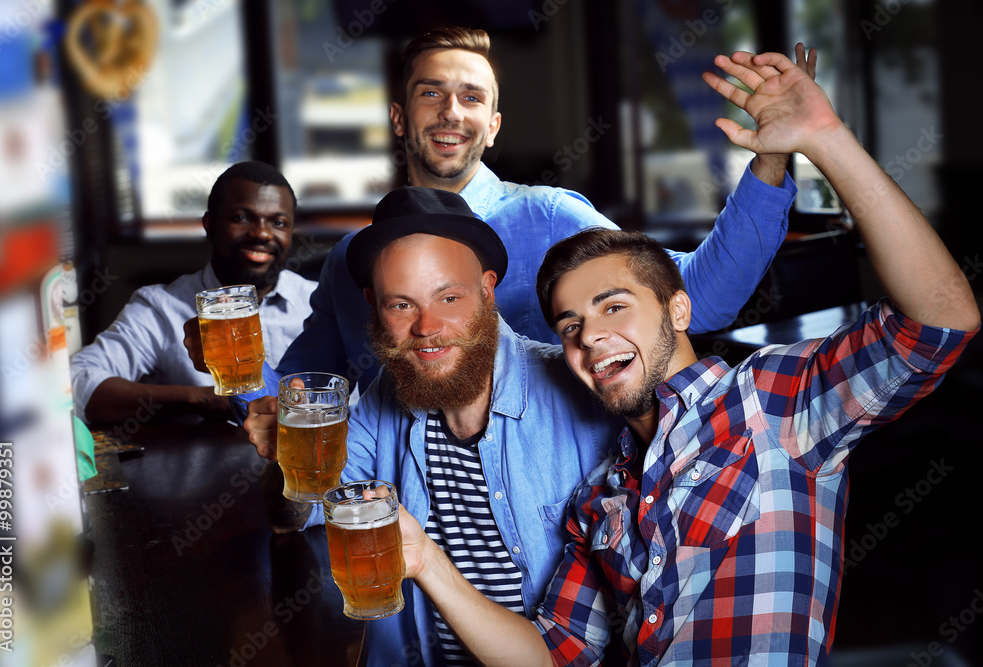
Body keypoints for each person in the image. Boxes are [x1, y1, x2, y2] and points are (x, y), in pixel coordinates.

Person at [393, 48, 980, 665]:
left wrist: (825, 142)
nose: (589, 335)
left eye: (613, 306)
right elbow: (548, 654)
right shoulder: (601, 495)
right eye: (570, 325)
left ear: (677, 310)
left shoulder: (771, 403)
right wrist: (427, 561)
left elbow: (940, 320)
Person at [226, 27, 802, 407]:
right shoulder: (352, 256)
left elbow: (705, 298)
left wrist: (771, 158)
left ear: (493, 126)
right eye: (432, 94)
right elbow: (301, 394)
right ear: (400, 119)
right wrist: (235, 368)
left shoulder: (551, 216)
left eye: (472, 98)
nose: (452, 111)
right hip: (406, 533)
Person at [246, 185, 624, 666]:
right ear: (373, 306)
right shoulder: (384, 397)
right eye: (401, 304)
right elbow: (291, 517)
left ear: (488, 290)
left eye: (448, 297)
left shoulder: (581, 394)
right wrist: (286, 459)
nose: (426, 327)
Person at [71, 161, 318, 424]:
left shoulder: (319, 301)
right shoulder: (161, 307)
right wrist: (202, 399)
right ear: (209, 224)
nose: (261, 233)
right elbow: (76, 382)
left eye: (278, 222)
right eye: (242, 218)